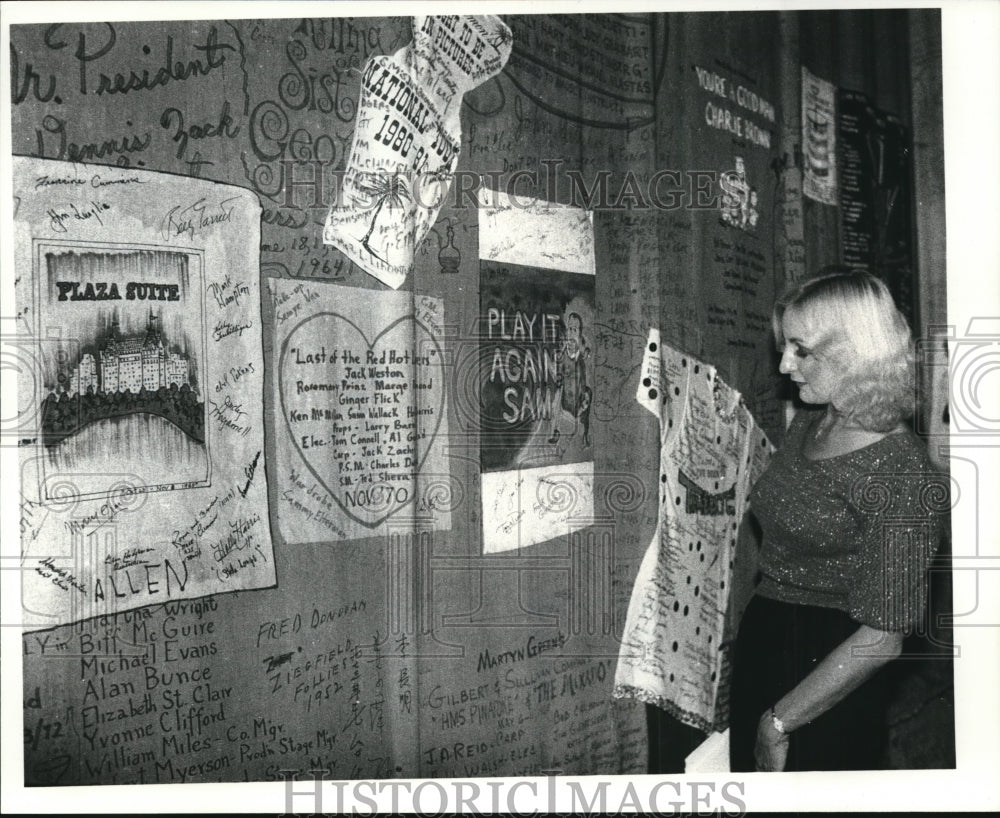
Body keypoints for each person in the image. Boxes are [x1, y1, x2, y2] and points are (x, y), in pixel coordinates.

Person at [728, 269, 949, 772]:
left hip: (833, 668)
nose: (784, 364)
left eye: (802, 350)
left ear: (856, 351)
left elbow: (881, 638)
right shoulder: (815, 418)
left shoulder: (902, 473)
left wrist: (778, 722)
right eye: (786, 346)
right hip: (767, 635)